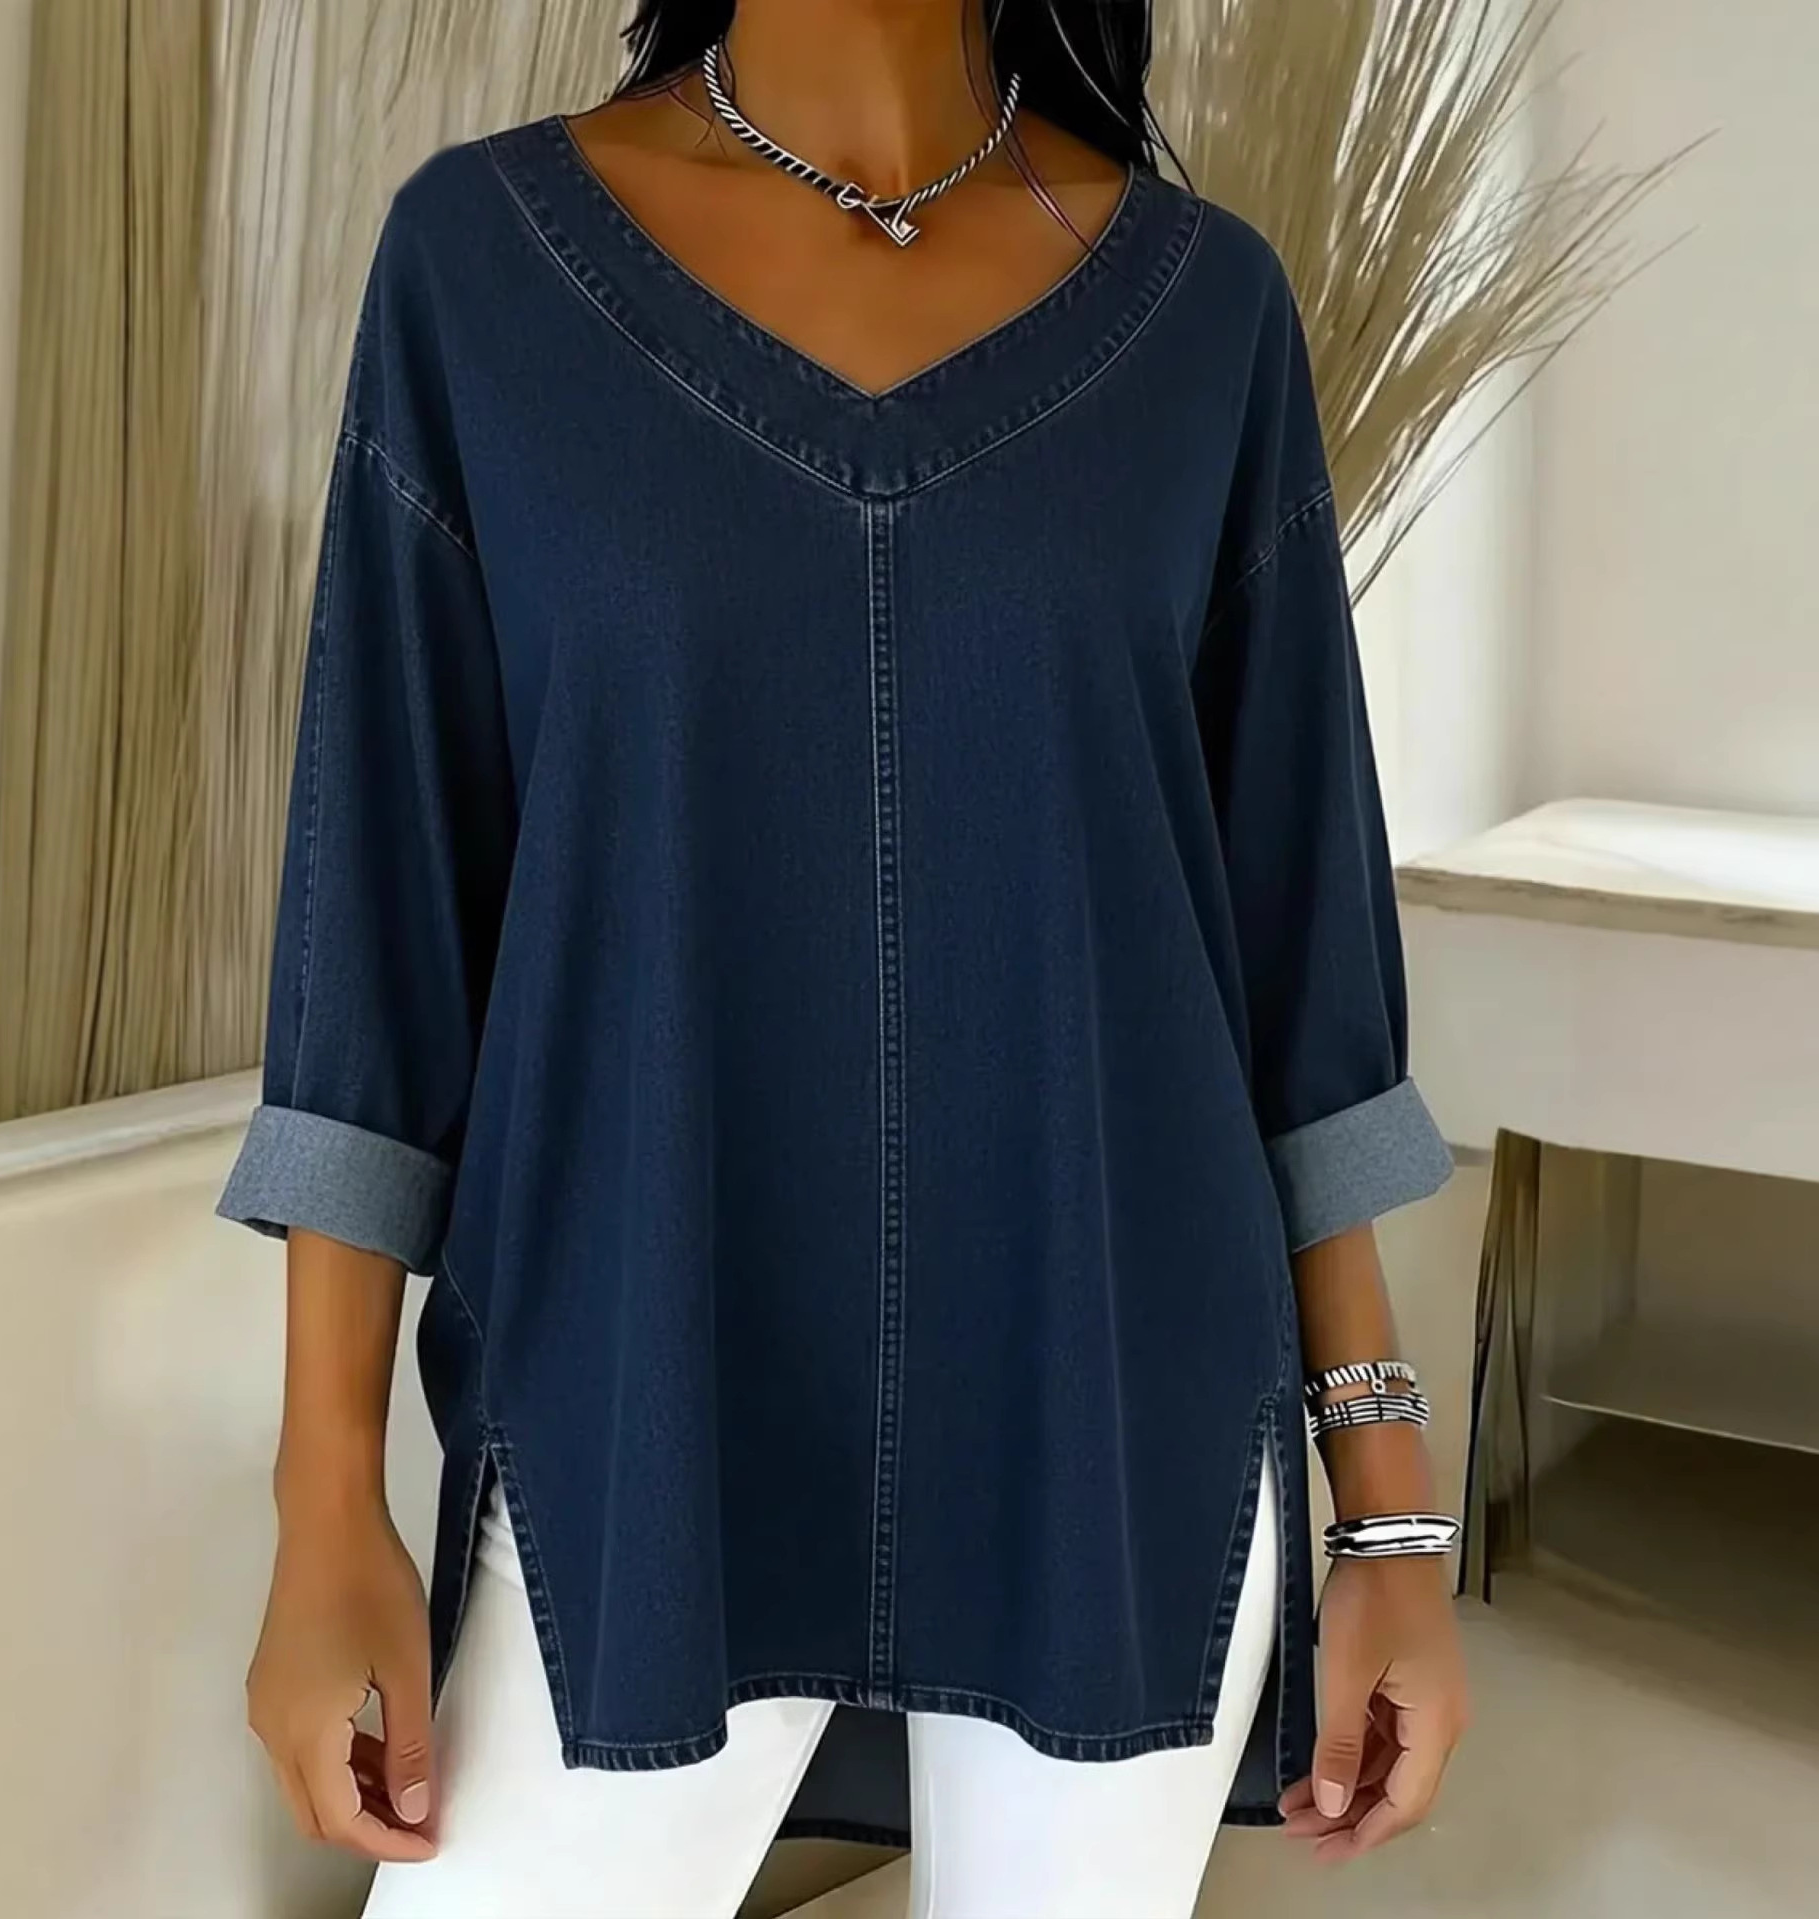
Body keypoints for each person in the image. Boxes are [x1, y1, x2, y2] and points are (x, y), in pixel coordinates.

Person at [218, 3, 1472, 1913]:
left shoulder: (1205, 311)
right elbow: (381, 920)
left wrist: (1387, 1513)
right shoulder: (478, 267)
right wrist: (325, 1504)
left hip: (1116, 1411)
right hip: (634, 1403)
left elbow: (1293, 958)